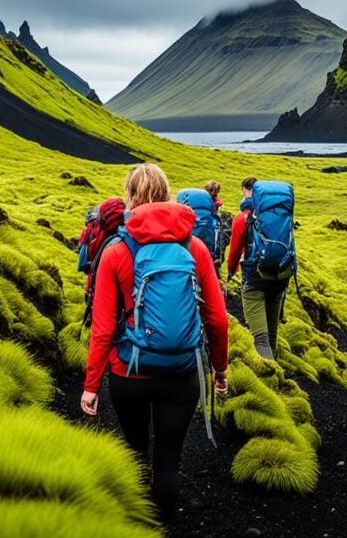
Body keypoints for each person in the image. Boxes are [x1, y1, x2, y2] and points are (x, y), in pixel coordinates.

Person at [81, 163, 229, 525]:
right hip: (182, 373)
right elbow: (218, 320)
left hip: (128, 373)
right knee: (168, 459)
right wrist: (219, 370)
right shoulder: (193, 247)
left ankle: (136, 525)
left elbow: (101, 329)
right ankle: (162, 526)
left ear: (130, 197)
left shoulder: (115, 251)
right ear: (166, 194)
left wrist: (90, 386)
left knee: (135, 452)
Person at [227, 176, 291, 360]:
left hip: (254, 280)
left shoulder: (242, 219)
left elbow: (234, 252)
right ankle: (278, 375)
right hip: (279, 278)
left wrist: (231, 272)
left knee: (260, 339)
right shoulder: (279, 216)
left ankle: (272, 378)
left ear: (245, 191)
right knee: (271, 336)